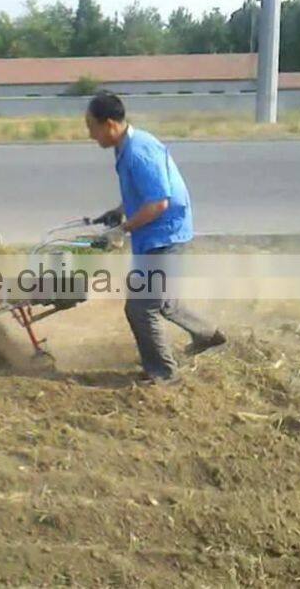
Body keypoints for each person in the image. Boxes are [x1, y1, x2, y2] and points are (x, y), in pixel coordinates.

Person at [86, 91, 226, 384]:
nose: (90, 135)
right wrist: (119, 211)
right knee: (163, 300)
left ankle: (164, 375)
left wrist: (121, 230)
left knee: (140, 307)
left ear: (109, 124)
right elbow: (145, 194)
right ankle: (208, 335)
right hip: (159, 233)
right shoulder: (127, 147)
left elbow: (158, 203)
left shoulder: (138, 152)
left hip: (165, 236)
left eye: (92, 127)